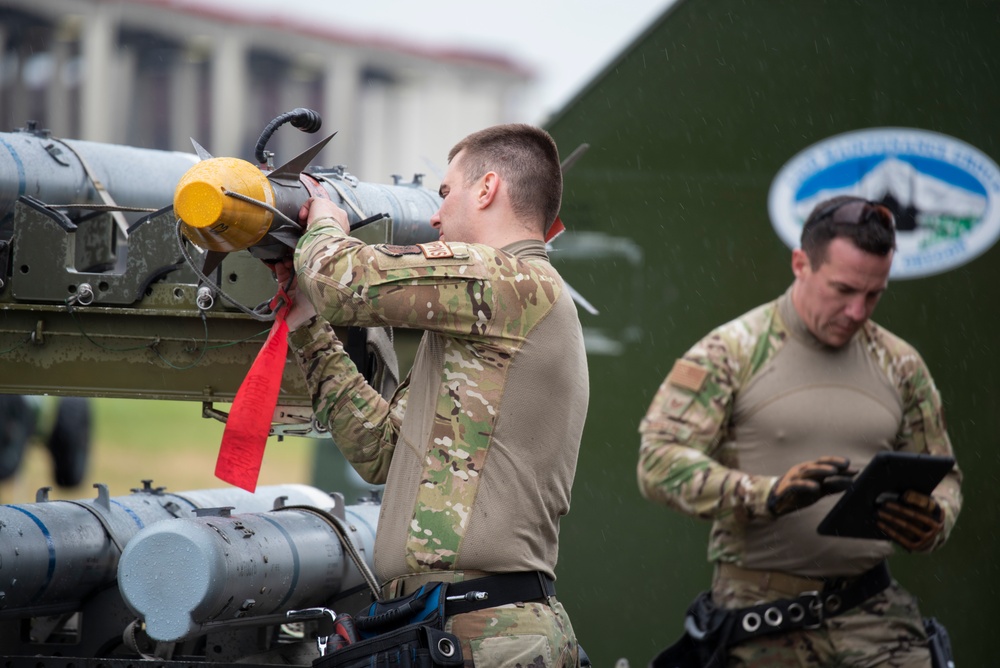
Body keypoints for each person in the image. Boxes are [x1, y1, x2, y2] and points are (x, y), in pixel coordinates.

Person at [276, 123, 589, 667]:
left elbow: (346, 281)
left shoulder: (511, 281)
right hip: (444, 625)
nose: (436, 215)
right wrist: (306, 322)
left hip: (484, 631)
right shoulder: (481, 314)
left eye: (446, 194)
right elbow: (382, 451)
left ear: (488, 189)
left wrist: (323, 223)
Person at [637, 196, 962, 667]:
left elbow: (945, 475)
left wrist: (935, 518)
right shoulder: (731, 352)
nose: (857, 311)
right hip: (758, 614)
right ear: (800, 264)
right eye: (843, 289)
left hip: (874, 615)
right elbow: (658, 461)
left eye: (873, 295)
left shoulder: (901, 364)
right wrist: (765, 494)